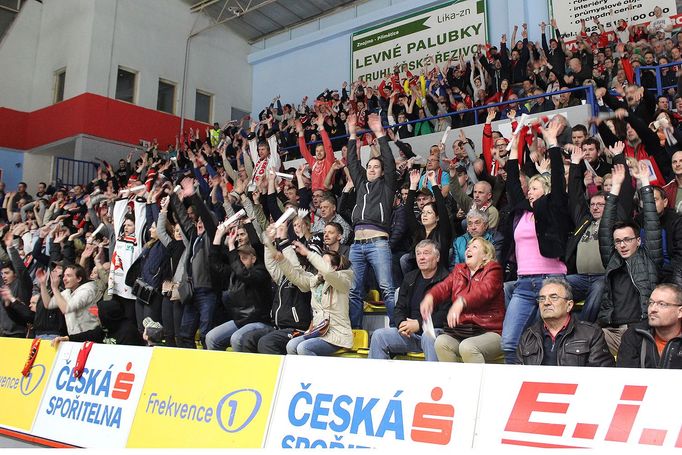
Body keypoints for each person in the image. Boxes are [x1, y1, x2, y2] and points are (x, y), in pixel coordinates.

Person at [500, 120, 572, 364]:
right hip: (523, 284)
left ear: (547, 189)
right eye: (529, 187)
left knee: (550, 343)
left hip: (551, 282)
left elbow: (560, 180)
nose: (530, 191)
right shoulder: (521, 213)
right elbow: (511, 181)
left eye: (536, 186)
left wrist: (552, 142)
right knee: (509, 342)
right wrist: (515, 143)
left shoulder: (554, 208)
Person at [598, 163, 662, 356]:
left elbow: (652, 222)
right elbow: (605, 228)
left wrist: (644, 182)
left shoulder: (649, 256)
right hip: (612, 330)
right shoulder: (612, 258)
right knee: (582, 339)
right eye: (618, 241)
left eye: (627, 240)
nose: (622, 245)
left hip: (640, 330)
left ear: (638, 240)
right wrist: (615, 187)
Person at [346, 113, 396, 328]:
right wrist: (351, 135)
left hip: (378, 243)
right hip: (357, 245)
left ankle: (398, 328)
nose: (372, 169)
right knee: (353, 291)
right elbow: (352, 162)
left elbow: (391, 162)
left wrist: (379, 134)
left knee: (387, 288)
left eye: (377, 167)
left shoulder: (387, 185)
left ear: (382, 171)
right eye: (370, 167)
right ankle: (355, 332)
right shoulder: (361, 184)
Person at [422, 237, 505, 363]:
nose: (468, 250)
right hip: (465, 331)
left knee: (468, 347)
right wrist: (430, 297)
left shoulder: (493, 269)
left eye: (474, 247)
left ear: (485, 255)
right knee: (441, 342)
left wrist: (461, 301)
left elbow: (484, 291)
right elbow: (443, 287)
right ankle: (453, 382)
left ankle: (476, 383)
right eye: (467, 247)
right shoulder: (459, 270)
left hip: (490, 331)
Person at [369, 240, 449, 361]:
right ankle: (379, 379)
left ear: (437, 257)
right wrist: (401, 323)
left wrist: (419, 324)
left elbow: (445, 316)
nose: (421, 257)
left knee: (428, 336)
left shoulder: (448, 280)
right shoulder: (410, 278)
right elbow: (399, 308)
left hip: (436, 334)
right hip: (411, 334)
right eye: (418, 254)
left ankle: (433, 379)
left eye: (426, 253)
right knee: (379, 336)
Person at [275, 239, 353, 356]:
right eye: (320, 262)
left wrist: (308, 253)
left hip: (336, 335)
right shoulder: (315, 281)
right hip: (318, 332)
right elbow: (296, 275)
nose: (319, 266)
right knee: (291, 345)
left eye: (324, 263)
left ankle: (314, 375)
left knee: (303, 348)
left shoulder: (342, 280)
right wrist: (282, 260)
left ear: (335, 267)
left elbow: (328, 273)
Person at [516, 278, 614, 366]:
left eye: (554, 297)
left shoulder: (591, 333)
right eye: (542, 298)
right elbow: (518, 376)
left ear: (569, 305)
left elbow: (601, 376)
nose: (546, 303)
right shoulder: (528, 336)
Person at [204, 226, 272, 351]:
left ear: (254, 258)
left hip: (260, 321)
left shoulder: (260, 271)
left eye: (244, 258)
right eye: (238, 258)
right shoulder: (234, 273)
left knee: (237, 338)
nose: (240, 262)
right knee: (211, 337)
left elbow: (243, 273)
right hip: (240, 321)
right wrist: (218, 237)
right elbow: (215, 265)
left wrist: (231, 247)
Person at [617, 283, 682, 369]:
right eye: (651, 303)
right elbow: (627, 377)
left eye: (662, 304)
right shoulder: (635, 334)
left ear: (680, 312)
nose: (653, 309)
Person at [38, 264, 104, 342]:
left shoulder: (87, 290)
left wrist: (55, 288)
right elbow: (48, 304)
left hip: (90, 337)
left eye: (68, 276)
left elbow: (66, 309)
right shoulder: (67, 292)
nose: (64, 279)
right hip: (76, 337)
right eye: (64, 276)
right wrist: (42, 284)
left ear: (79, 278)